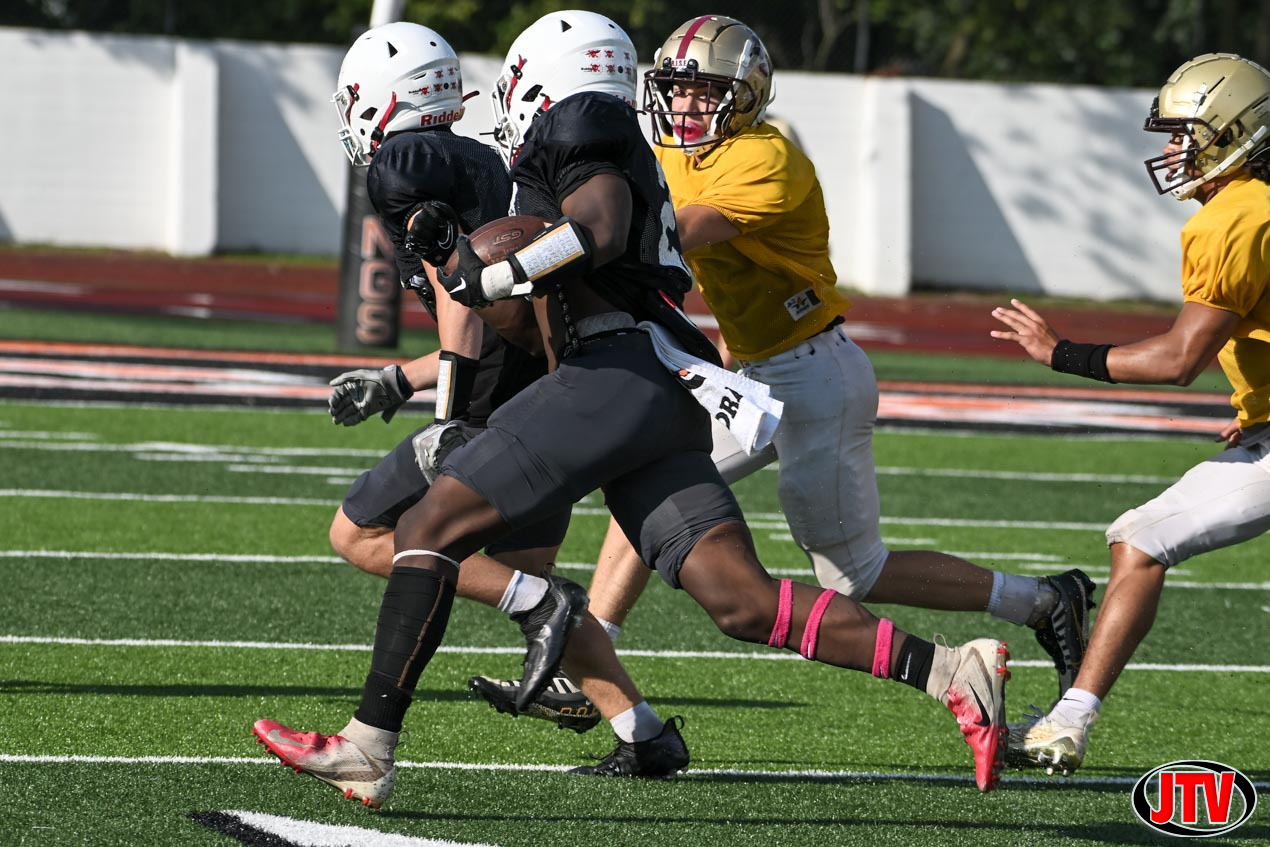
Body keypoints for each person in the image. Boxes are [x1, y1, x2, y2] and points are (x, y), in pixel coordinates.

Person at [254, 10, 1011, 809]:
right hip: (654, 388)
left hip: (610, 373)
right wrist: (461, 265)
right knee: (742, 599)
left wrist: (498, 275)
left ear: (542, 80)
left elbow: (598, 230)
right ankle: (947, 668)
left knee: (425, 530)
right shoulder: (592, 141)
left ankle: (369, 746)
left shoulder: (583, 122)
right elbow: (534, 306)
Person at [472, 15, 1092, 716]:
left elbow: (668, 233)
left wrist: (554, 221)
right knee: (645, 473)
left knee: (854, 574)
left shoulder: (766, 156)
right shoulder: (671, 153)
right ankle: (593, 661)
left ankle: (1042, 597)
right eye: (675, 91)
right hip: (756, 371)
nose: (685, 107)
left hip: (813, 375)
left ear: (744, 96)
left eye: (704, 93)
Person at [256, 22, 687, 787]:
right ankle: (643, 730)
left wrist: (447, 417)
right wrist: (399, 378)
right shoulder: (484, 158)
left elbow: (466, 307)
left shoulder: (404, 161)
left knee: (362, 532)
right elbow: (493, 305)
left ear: (381, 103)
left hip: (495, 406)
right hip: (546, 391)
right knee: (510, 570)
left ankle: (389, 728)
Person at [991, 53, 1270, 776]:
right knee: (1138, 538)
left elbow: (1180, 358)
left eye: (1188, 134)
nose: (1174, 150)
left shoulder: (1237, 215)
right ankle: (1068, 719)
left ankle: (1068, 721)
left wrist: (1060, 353)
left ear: (1235, 131)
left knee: (1141, 541)